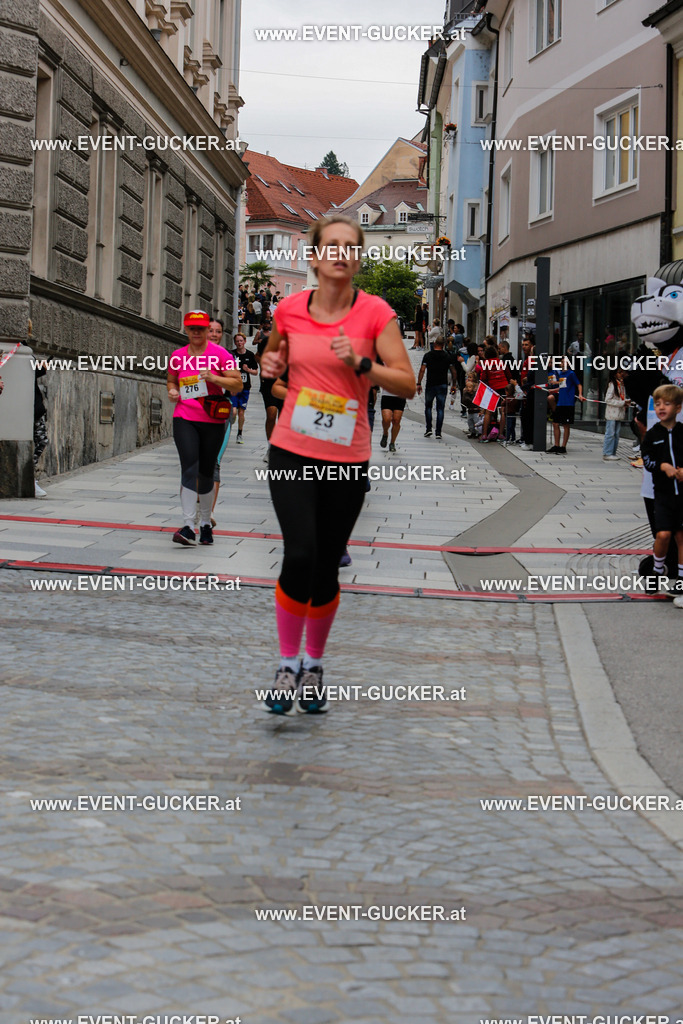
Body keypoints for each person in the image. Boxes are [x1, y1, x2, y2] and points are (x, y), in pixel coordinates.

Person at [259, 214, 415, 714]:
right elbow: (272, 369)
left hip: (346, 457)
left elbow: (406, 384)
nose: (342, 253)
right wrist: (271, 370)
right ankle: (286, 665)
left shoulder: (375, 315)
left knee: (326, 565)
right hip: (291, 448)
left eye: (352, 246)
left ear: (359, 257)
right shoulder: (288, 311)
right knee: (299, 554)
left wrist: (362, 365)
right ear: (315, 256)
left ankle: (314, 664)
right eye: (333, 246)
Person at [167, 310, 242, 546]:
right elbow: (171, 379)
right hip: (184, 417)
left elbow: (237, 384)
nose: (197, 332)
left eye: (201, 328)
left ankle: (206, 523)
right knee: (189, 467)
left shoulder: (220, 354)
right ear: (186, 329)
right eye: (192, 328)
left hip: (212, 420)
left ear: (206, 329)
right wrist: (171, 390)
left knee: (206, 472)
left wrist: (215, 379)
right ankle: (188, 526)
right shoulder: (178, 356)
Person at [641, 384, 683, 587]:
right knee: (663, 534)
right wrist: (662, 466)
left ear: (678, 408)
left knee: (682, 536)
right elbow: (647, 461)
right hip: (663, 495)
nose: (661, 407)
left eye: (667, 403)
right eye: (657, 404)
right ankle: (657, 570)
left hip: (682, 494)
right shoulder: (652, 435)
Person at [545, 355, 586, 453]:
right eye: (562, 362)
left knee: (565, 424)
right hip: (560, 402)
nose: (563, 364)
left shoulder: (571, 374)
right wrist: (553, 390)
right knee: (555, 423)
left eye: (565, 362)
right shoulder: (561, 375)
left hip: (568, 403)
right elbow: (563, 387)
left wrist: (580, 395)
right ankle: (556, 445)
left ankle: (563, 447)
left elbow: (578, 384)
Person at [416, 337, 453, 439]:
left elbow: (422, 370)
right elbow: (453, 371)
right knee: (440, 408)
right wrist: (454, 385)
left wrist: (418, 383)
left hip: (431, 384)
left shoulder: (428, 355)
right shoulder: (447, 356)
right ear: (443, 345)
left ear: (435, 343)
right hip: (443, 384)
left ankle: (428, 429)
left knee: (428, 407)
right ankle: (438, 432)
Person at [478, 345, 511, 442]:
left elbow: (483, 378)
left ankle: (484, 435)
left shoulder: (486, 363)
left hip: (492, 389)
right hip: (504, 388)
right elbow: (508, 374)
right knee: (503, 412)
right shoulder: (501, 362)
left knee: (488, 412)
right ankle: (501, 434)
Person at [231, 332, 259, 443]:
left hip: (245, 388)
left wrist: (248, 370)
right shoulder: (231, 354)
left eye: (241, 341)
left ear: (245, 341)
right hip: (233, 387)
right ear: (235, 343)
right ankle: (227, 428)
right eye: (237, 341)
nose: (239, 343)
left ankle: (239, 433)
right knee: (233, 411)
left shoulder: (250, 355)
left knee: (241, 412)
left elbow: (256, 372)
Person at [602, 368, 631, 462]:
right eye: (619, 372)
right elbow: (608, 399)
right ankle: (607, 452)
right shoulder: (612, 384)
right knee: (610, 433)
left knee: (616, 434)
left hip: (618, 413)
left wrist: (625, 402)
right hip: (612, 413)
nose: (621, 374)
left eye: (622, 372)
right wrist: (622, 403)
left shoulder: (621, 384)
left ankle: (612, 452)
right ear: (614, 374)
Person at [379, 385, 405, 453]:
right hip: (387, 395)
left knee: (396, 420)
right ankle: (385, 433)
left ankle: (392, 443)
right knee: (386, 419)